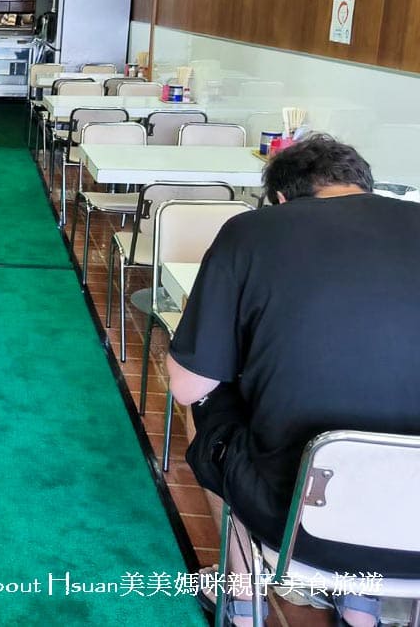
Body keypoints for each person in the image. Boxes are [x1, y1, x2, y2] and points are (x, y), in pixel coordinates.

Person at [167, 135, 420, 627]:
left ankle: (241, 597)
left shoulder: (251, 232)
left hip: (300, 515)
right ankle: (359, 601)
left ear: (282, 198)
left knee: (212, 404)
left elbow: (186, 387)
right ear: (365, 187)